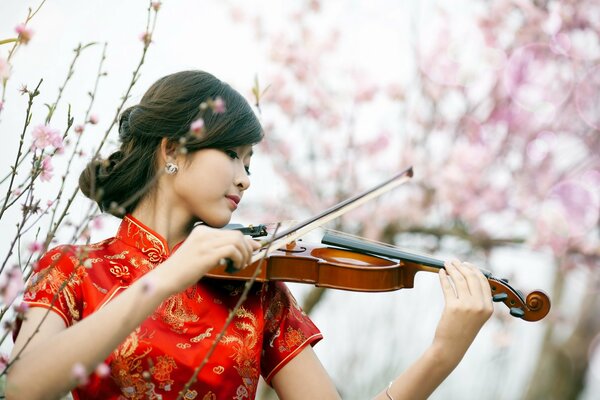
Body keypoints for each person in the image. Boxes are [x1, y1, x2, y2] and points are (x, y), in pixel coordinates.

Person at [6, 70, 493, 400]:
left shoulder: (255, 293)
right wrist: (168, 276)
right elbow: (22, 387)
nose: (245, 178)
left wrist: (441, 354)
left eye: (250, 162)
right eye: (234, 155)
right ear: (173, 148)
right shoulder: (72, 268)